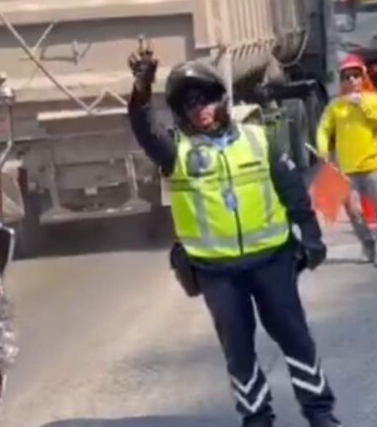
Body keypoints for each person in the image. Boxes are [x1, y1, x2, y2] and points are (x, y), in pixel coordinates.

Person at [126, 44, 341, 427]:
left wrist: (310, 238)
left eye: (206, 100)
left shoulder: (258, 140)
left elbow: (292, 192)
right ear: (181, 112)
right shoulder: (176, 151)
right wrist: (142, 90)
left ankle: (319, 413)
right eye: (190, 105)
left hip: (273, 260)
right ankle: (257, 418)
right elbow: (144, 128)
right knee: (238, 352)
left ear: (221, 101)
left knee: (296, 339)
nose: (201, 110)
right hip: (217, 271)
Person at [316, 55, 377, 268]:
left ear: (363, 77)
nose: (352, 80)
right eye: (347, 76)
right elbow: (324, 128)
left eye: (356, 75)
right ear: (342, 80)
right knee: (354, 211)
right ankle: (368, 245)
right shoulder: (337, 106)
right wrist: (323, 149)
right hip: (347, 168)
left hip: (372, 165)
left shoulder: (374, 100)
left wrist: (364, 107)